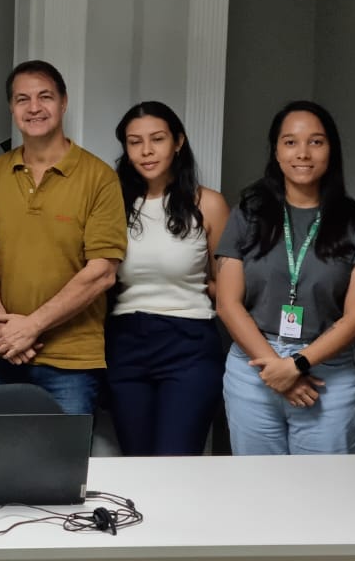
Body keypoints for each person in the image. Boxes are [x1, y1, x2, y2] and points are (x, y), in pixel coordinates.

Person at [214, 101, 355, 455]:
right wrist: (277, 372)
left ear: (331, 150)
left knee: (321, 497)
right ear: (276, 152)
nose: (302, 153)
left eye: (316, 142)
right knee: (259, 492)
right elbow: (228, 304)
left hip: (327, 373)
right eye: (290, 142)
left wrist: (297, 365)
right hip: (253, 369)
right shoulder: (249, 213)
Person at [0, 60, 125, 415]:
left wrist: (31, 326)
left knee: (62, 469)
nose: (34, 107)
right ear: (12, 109)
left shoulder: (99, 177)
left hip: (71, 360)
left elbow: (103, 271)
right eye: (22, 99)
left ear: (63, 103)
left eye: (45, 96)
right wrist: (4, 327)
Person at [106, 101, 229, 456]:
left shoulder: (209, 204)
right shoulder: (112, 203)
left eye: (157, 139)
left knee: (176, 463)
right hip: (125, 342)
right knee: (137, 463)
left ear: (178, 142)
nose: (146, 151)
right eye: (134, 142)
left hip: (189, 343)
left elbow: (225, 285)